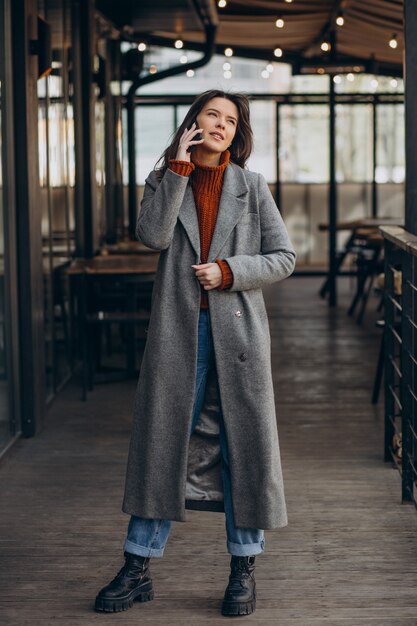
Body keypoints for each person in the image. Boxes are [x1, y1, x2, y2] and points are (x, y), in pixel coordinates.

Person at [95, 89, 296, 617]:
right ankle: (137, 565)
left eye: (231, 120)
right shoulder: (164, 181)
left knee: (241, 448)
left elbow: (284, 257)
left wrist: (229, 272)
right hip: (177, 336)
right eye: (213, 114)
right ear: (193, 122)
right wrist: (179, 171)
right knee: (164, 442)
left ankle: (243, 568)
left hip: (239, 337)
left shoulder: (252, 187)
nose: (222, 125)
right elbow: (154, 237)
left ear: (237, 132)